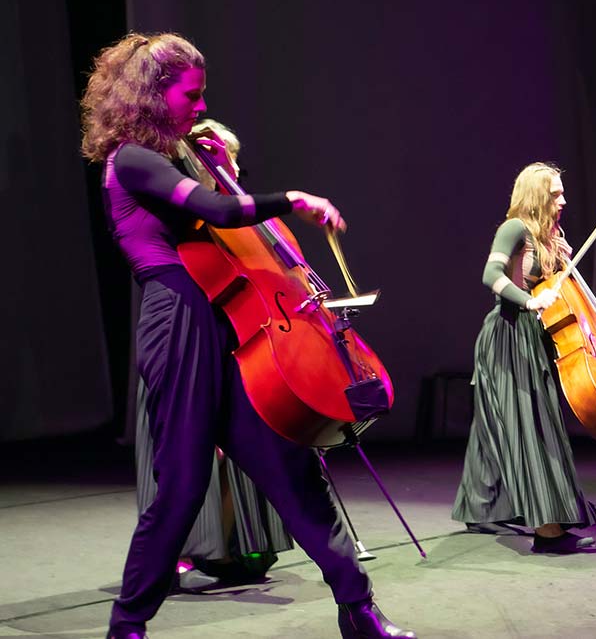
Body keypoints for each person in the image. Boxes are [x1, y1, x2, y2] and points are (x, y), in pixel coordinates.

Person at [80, 32, 413, 639]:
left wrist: (224, 168)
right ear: (154, 96)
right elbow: (222, 214)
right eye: (192, 95)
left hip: (221, 325)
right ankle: (126, 627)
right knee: (181, 487)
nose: (201, 107)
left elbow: (225, 219)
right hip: (177, 325)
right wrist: (292, 198)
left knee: (290, 463)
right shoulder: (132, 159)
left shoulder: (176, 154)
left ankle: (358, 609)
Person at [132, 120, 293, 592]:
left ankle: (237, 546)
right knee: (187, 458)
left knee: (238, 454)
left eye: (235, 158)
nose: (235, 167)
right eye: (226, 157)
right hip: (187, 337)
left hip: (230, 339)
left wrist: (225, 173)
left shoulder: (218, 197)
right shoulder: (180, 210)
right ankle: (174, 556)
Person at [451, 162, 596, 553]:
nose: (563, 199)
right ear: (536, 196)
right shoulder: (514, 228)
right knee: (530, 426)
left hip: (534, 336)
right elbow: (492, 276)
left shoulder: (553, 237)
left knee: (496, 425)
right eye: (555, 193)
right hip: (508, 336)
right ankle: (547, 531)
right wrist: (531, 299)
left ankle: (482, 507)